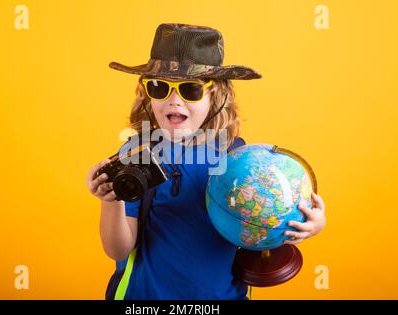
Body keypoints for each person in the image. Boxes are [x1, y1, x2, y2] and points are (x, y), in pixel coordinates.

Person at [86, 23, 326, 300]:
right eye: (159, 87)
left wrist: (309, 224)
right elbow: (117, 250)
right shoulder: (136, 155)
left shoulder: (238, 160)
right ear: (146, 94)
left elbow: (264, 224)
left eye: (190, 90)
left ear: (217, 95)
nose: (174, 101)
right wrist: (111, 200)